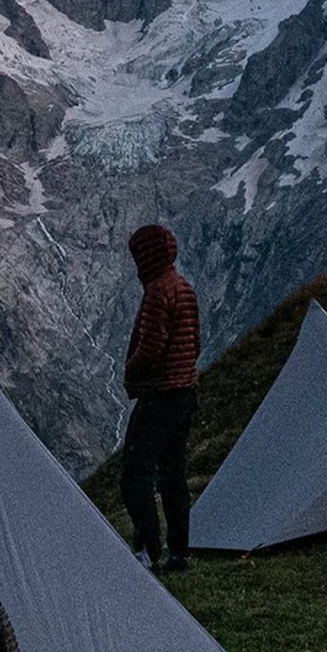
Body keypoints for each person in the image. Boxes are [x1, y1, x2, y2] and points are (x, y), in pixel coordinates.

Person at [119, 223, 200, 572]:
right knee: (173, 474)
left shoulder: (157, 292)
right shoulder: (184, 287)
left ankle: (148, 551)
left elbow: (151, 349)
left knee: (136, 474)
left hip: (159, 395)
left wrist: (131, 371)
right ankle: (179, 552)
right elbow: (194, 342)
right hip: (185, 392)